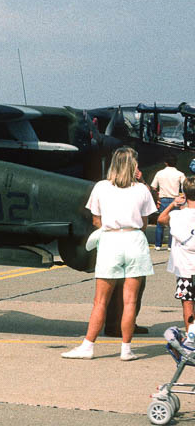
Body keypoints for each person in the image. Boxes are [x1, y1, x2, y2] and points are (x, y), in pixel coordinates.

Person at [64, 146, 155, 361]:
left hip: (110, 240)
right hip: (134, 241)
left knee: (100, 301)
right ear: (133, 166)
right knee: (130, 301)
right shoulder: (142, 189)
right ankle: (126, 348)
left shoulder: (101, 187)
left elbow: (96, 219)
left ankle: (88, 345)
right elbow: (144, 223)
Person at [157, 178, 195, 334]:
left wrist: (173, 204)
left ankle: (190, 336)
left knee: (187, 303)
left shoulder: (177, 216)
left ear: (185, 194)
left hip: (184, 269)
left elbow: (160, 219)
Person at [150, 157, 185, 249]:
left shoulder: (159, 173)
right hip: (175, 200)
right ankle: (170, 245)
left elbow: (153, 187)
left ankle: (158, 245)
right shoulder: (180, 174)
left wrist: (157, 198)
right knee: (173, 223)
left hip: (163, 199)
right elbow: (185, 187)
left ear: (165, 163)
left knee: (160, 222)